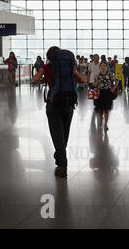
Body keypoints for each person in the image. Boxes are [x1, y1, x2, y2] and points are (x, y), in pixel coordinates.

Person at [32, 46, 87, 178]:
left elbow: (34, 79)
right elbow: (83, 80)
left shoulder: (46, 67)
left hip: (53, 103)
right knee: (64, 133)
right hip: (68, 103)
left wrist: (44, 77)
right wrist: (74, 72)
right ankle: (60, 156)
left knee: (57, 134)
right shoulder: (69, 68)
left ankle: (62, 164)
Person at [93, 61, 119, 131]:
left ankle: (106, 124)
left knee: (106, 110)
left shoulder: (110, 75)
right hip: (99, 93)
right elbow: (94, 84)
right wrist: (96, 83)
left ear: (107, 67)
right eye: (101, 66)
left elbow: (117, 81)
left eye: (105, 66)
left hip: (108, 93)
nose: (103, 67)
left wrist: (113, 88)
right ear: (99, 67)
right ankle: (101, 119)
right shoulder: (97, 75)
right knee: (100, 109)